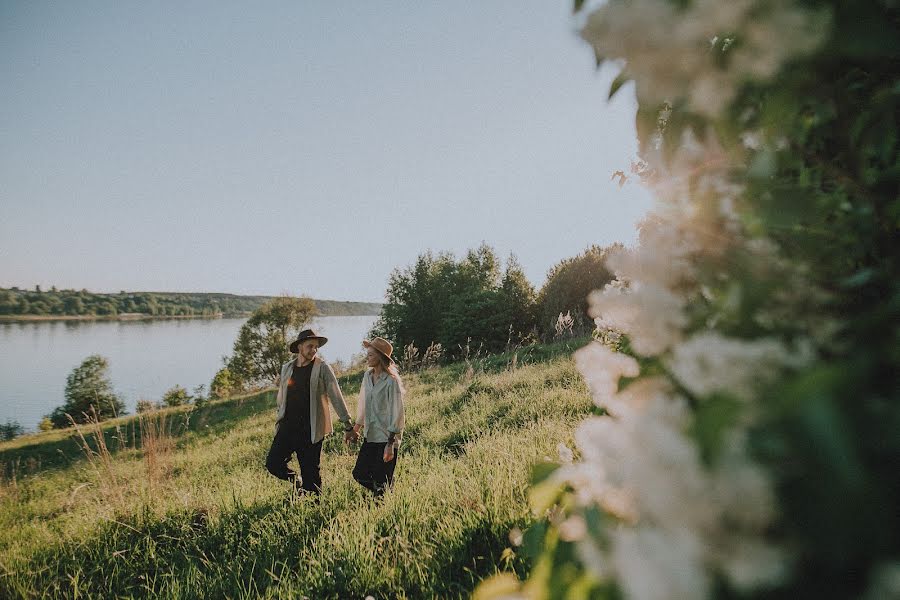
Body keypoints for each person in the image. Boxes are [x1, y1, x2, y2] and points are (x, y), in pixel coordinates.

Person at [265, 328, 355, 495]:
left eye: (316, 347)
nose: (313, 350)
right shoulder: (287, 368)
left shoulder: (322, 368)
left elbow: (336, 396)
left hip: (311, 429)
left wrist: (347, 424)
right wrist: (280, 418)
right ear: (299, 347)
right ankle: (295, 480)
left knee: (311, 476)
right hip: (288, 427)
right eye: (310, 346)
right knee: (273, 464)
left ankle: (313, 506)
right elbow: (282, 396)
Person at [351, 337, 405, 498]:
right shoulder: (367, 377)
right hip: (371, 435)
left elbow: (398, 412)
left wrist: (390, 443)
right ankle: (385, 489)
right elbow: (363, 404)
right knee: (359, 474)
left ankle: (383, 497)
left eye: (371, 355)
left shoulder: (391, 381)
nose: (367, 358)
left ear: (381, 357)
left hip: (386, 437)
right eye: (367, 354)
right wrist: (356, 428)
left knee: (381, 484)